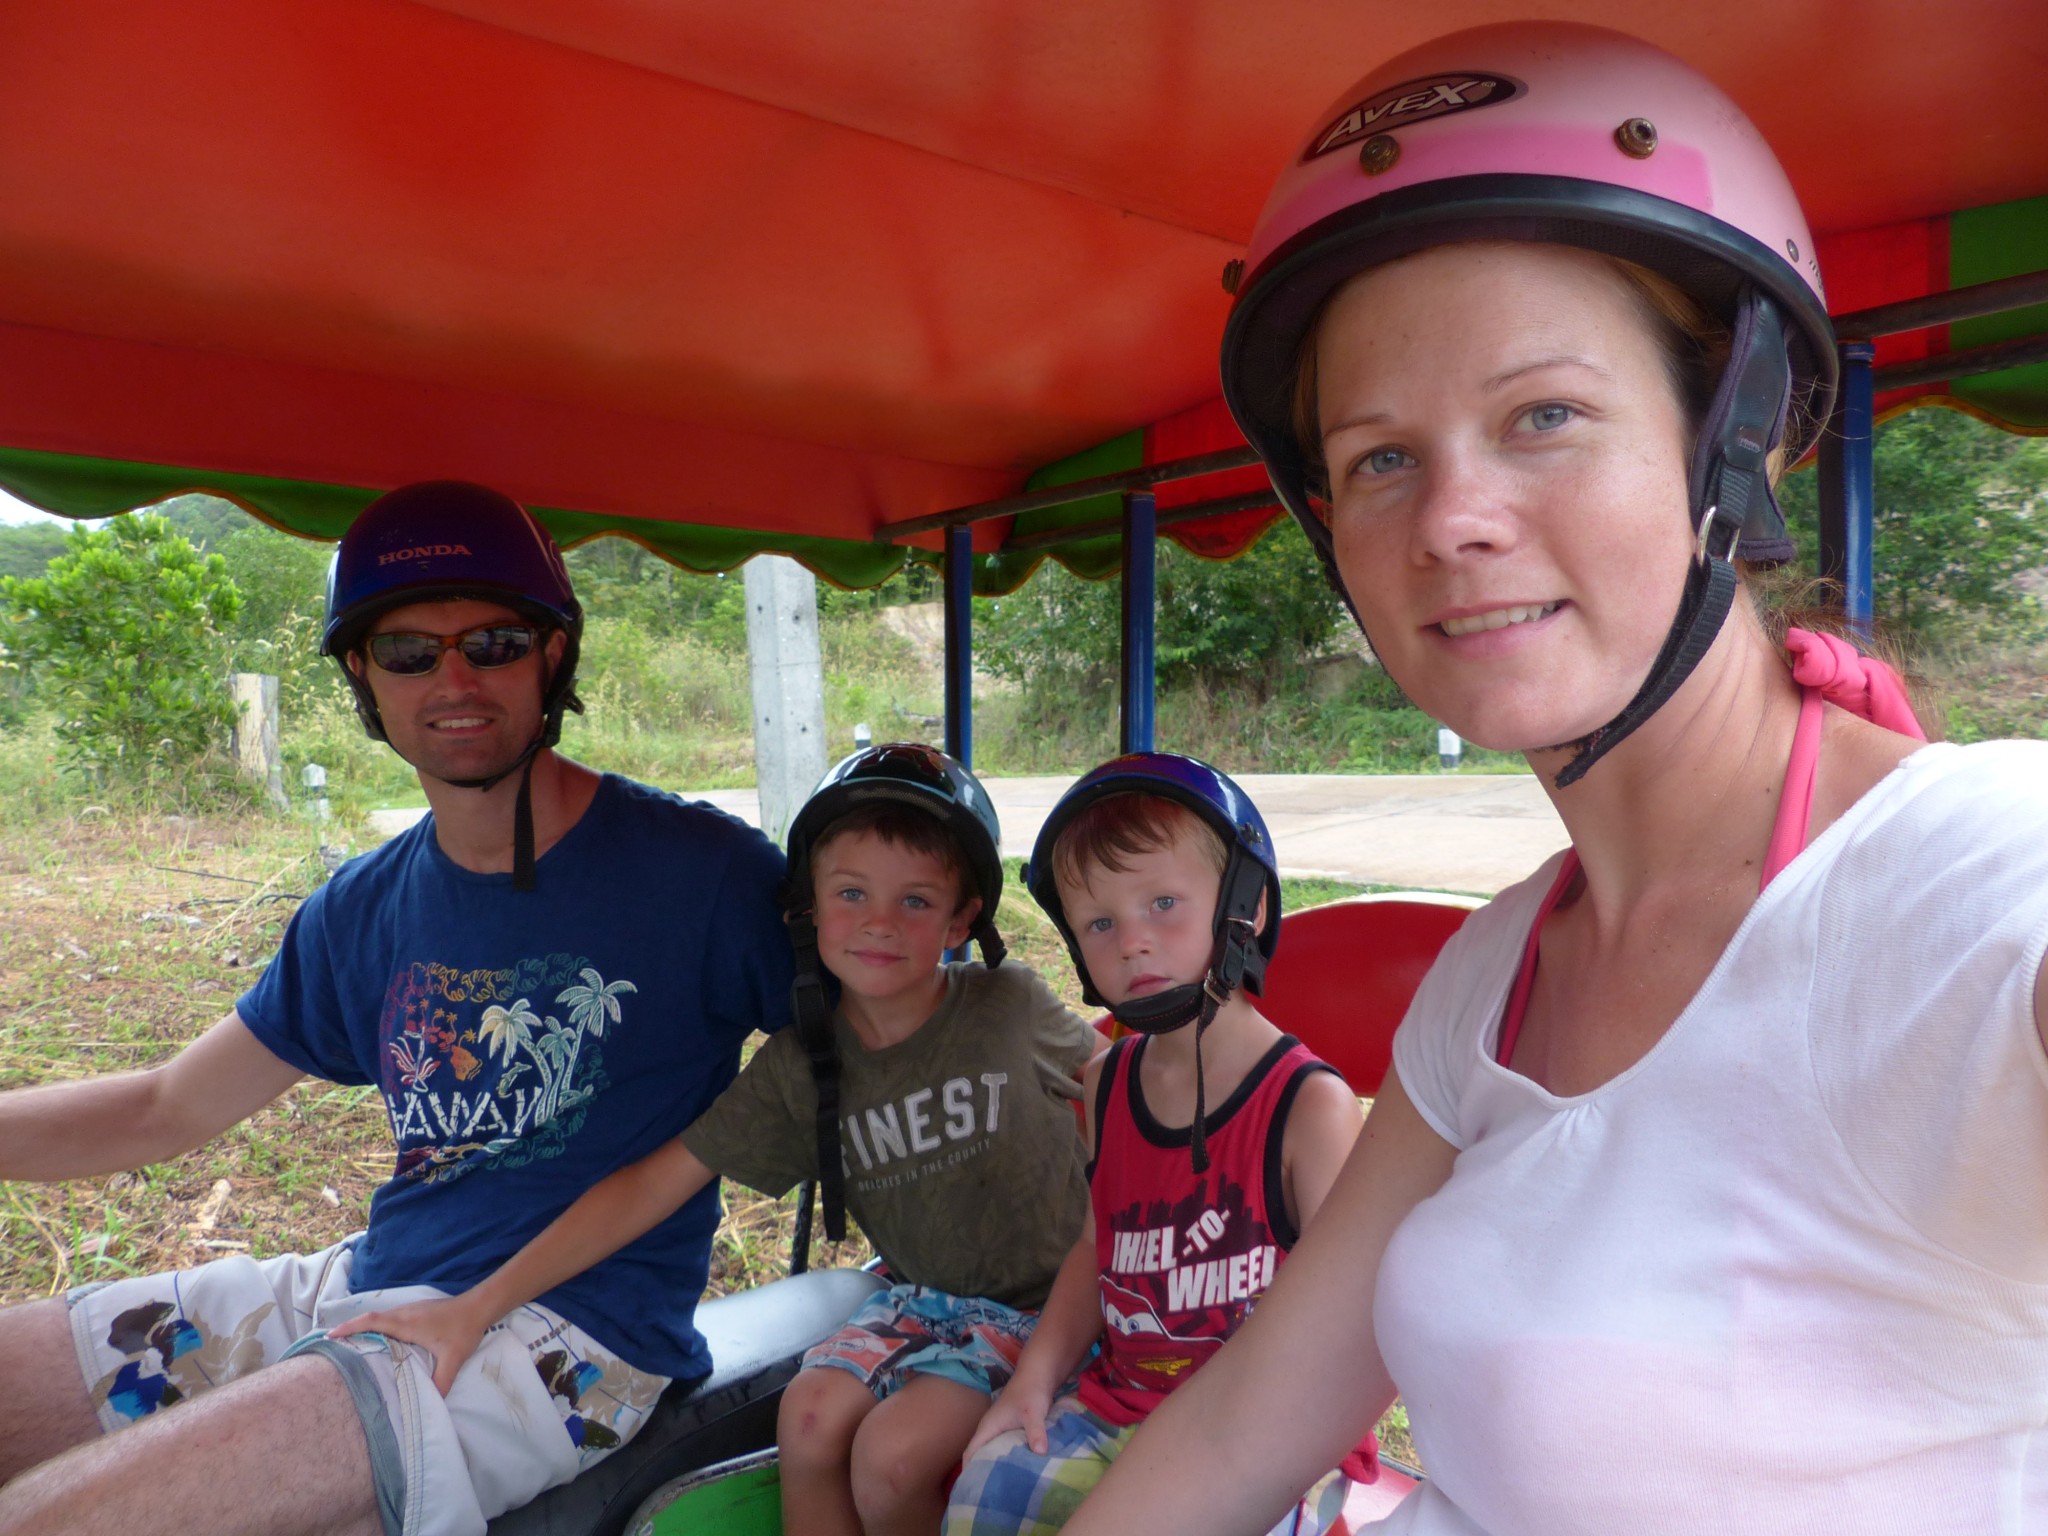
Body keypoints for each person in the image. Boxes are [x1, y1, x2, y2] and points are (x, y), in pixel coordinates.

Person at [1051, 21, 2048, 1536]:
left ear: (1743, 438)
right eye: (1381, 457)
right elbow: (1255, 1419)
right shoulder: (1502, 967)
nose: (1452, 517)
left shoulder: (1968, 886)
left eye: (1546, 417)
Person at [0, 481, 792, 1536]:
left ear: (553, 657)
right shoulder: (359, 910)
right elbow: (164, 1108)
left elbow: (876, 1038)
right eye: (410, 651)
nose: (454, 678)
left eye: (494, 642)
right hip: (375, 1284)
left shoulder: (705, 874)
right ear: (362, 677)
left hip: (572, 1344)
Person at [337, 742, 1100, 1536]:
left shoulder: (1007, 1006)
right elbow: (648, 1187)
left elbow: (1138, 1090)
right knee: (806, 1420)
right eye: (852, 893)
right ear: (807, 905)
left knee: (896, 1458)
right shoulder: (804, 1068)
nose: (880, 923)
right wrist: (478, 1306)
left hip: (1061, 1304)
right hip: (928, 1306)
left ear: (962, 917)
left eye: (916, 901)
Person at [945, 753, 1366, 1536]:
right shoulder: (1106, 1085)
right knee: (984, 1493)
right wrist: (1032, 1381)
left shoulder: (1309, 1108)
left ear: (1246, 907)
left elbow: (1352, 1322)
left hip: (1268, 1432)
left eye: (1164, 903)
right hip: (1123, 1404)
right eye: (1100, 922)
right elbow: (1098, 1243)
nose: (1132, 942)